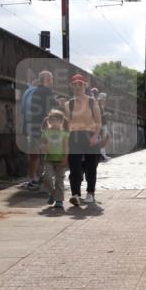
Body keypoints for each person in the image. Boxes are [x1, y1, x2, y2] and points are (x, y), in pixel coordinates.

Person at [66, 73, 102, 206]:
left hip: (90, 136)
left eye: (80, 84)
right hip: (74, 136)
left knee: (91, 167)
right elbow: (66, 124)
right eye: (74, 85)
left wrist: (95, 136)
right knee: (74, 167)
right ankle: (75, 194)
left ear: (84, 86)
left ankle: (90, 193)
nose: (77, 87)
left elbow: (98, 122)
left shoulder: (92, 102)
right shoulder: (68, 104)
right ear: (71, 86)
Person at [21, 71, 56, 190]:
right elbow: (51, 111)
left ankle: (33, 178)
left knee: (34, 155)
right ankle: (45, 180)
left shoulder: (30, 92)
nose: (52, 81)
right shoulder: (47, 92)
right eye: (51, 79)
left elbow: (24, 111)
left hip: (32, 127)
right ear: (47, 80)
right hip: (44, 128)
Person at [39, 109, 69, 210]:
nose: (53, 122)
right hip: (49, 159)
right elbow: (42, 143)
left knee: (59, 180)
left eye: (56, 120)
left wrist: (65, 158)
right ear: (49, 121)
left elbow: (66, 147)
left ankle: (59, 200)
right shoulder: (45, 132)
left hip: (60, 159)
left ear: (61, 121)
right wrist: (43, 146)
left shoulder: (64, 134)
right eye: (51, 120)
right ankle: (53, 193)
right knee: (47, 178)